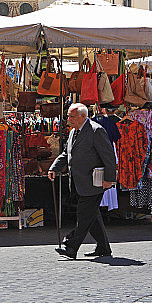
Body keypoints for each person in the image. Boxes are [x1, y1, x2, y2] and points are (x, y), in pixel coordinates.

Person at [47, 103, 117, 259]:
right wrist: (54, 168)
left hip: (93, 182)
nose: (68, 119)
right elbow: (66, 154)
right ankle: (104, 247)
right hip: (79, 182)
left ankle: (71, 246)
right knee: (92, 216)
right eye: (68, 116)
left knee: (84, 216)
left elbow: (109, 157)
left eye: (72, 116)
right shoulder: (74, 132)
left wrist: (109, 179)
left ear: (83, 116)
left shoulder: (96, 131)